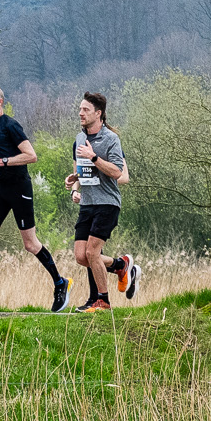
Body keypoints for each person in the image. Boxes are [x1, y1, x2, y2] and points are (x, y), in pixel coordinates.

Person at [0, 86, 68, 312]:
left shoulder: (11, 125)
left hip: (19, 189)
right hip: (0, 189)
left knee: (30, 244)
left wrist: (3, 162)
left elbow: (31, 156)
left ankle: (60, 283)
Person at [63, 92, 137, 311]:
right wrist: (74, 182)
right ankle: (120, 265)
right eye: (80, 109)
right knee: (81, 256)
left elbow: (118, 173)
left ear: (98, 113)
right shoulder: (79, 139)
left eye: (85, 109)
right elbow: (81, 171)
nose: (80, 113)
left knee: (92, 253)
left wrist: (94, 157)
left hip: (107, 203)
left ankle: (102, 301)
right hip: (87, 204)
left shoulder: (111, 139)